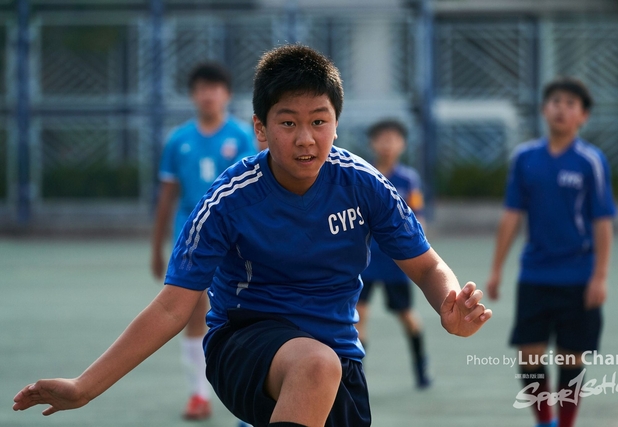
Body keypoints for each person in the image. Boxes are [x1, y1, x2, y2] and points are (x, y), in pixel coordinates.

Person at [13, 44, 492, 427]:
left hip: (339, 355)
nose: (306, 138)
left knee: (323, 366)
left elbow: (426, 265)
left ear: (336, 125)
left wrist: (449, 303)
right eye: (288, 123)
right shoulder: (229, 198)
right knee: (315, 365)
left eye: (318, 122)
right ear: (260, 130)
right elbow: (171, 306)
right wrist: (84, 387)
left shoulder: (362, 184)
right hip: (242, 341)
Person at [485, 77, 616, 427]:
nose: (561, 108)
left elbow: (603, 222)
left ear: (583, 116)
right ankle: (545, 421)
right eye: (555, 101)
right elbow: (512, 215)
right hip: (534, 275)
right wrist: (496, 269)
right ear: (544, 109)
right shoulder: (525, 158)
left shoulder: (591, 161)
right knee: (529, 356)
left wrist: (600, 277)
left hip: (578, 276)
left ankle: (566, 422)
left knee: (571, 358)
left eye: (571, 104)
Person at [150, 61, 256, 421]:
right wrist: (156, 247)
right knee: (193, 310)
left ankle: (246, 400)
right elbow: (166, 195)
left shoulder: (242, 136)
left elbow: (254, 191)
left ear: (226, 94)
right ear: (193, 95)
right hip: (192, 239)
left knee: (240, 311)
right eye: (201, 88)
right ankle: (199, 394)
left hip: (234, 238)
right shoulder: (178, 140)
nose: (208, 95)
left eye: (215, 88)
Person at [356, 119, 430, 388]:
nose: (387, 144)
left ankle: (421, 367)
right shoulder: (363, 174)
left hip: (395, 261)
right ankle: (357, 374)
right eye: (382, 138)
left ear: (403, 144)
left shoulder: (408, 179)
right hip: (365, 261)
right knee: (359, 313)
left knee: (406, 314)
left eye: (394, 138)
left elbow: (417, 216)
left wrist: (417, 251)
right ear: (372, 143)